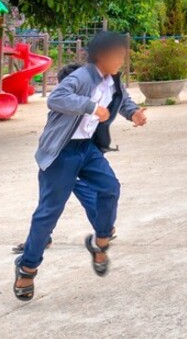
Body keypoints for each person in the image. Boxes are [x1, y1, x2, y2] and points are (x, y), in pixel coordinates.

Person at [14, 32, 147, 301]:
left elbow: (122, 99)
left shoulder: (113, 81)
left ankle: (100, 240)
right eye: (117, 55)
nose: (122, 59)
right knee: (49, 211)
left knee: (109, 188)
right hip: (63, 151)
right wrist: (90, 107)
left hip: (87, 149)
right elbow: (56, 99)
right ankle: (27, 267)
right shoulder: (81, 77)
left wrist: (133, 113)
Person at [10, 63, 115, 255]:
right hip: (57, 154)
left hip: (75, 154)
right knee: (54, 195)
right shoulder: (69, 102)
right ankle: (44, 238)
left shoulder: (92, 97)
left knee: (77, 191)